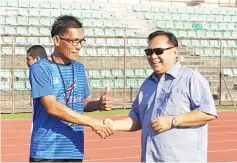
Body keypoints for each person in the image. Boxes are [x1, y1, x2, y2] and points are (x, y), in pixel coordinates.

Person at [103, 31, 217, 162]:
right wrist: (114, 125)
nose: (153, 56)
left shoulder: (191, 78)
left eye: (159, 51)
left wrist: (173, 121)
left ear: (174, 52)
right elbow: (137, 119)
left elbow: (208, 112)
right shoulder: (147, 84)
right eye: (149, 52)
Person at [29, 15, 113, 162]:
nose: (78, 46)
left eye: (81, 41)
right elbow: (52, 107)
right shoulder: (40, 68)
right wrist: (93, 122)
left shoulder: (79, 68)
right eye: (74, 41)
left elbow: (83, 103)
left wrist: (98, 104)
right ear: (56, 40)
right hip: (46, 152)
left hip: (74, 150)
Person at [26, 45, 48, 134]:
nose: (27, 64)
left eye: (28, 59)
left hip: (42, 127)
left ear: (37, 59)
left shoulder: (36, 69)